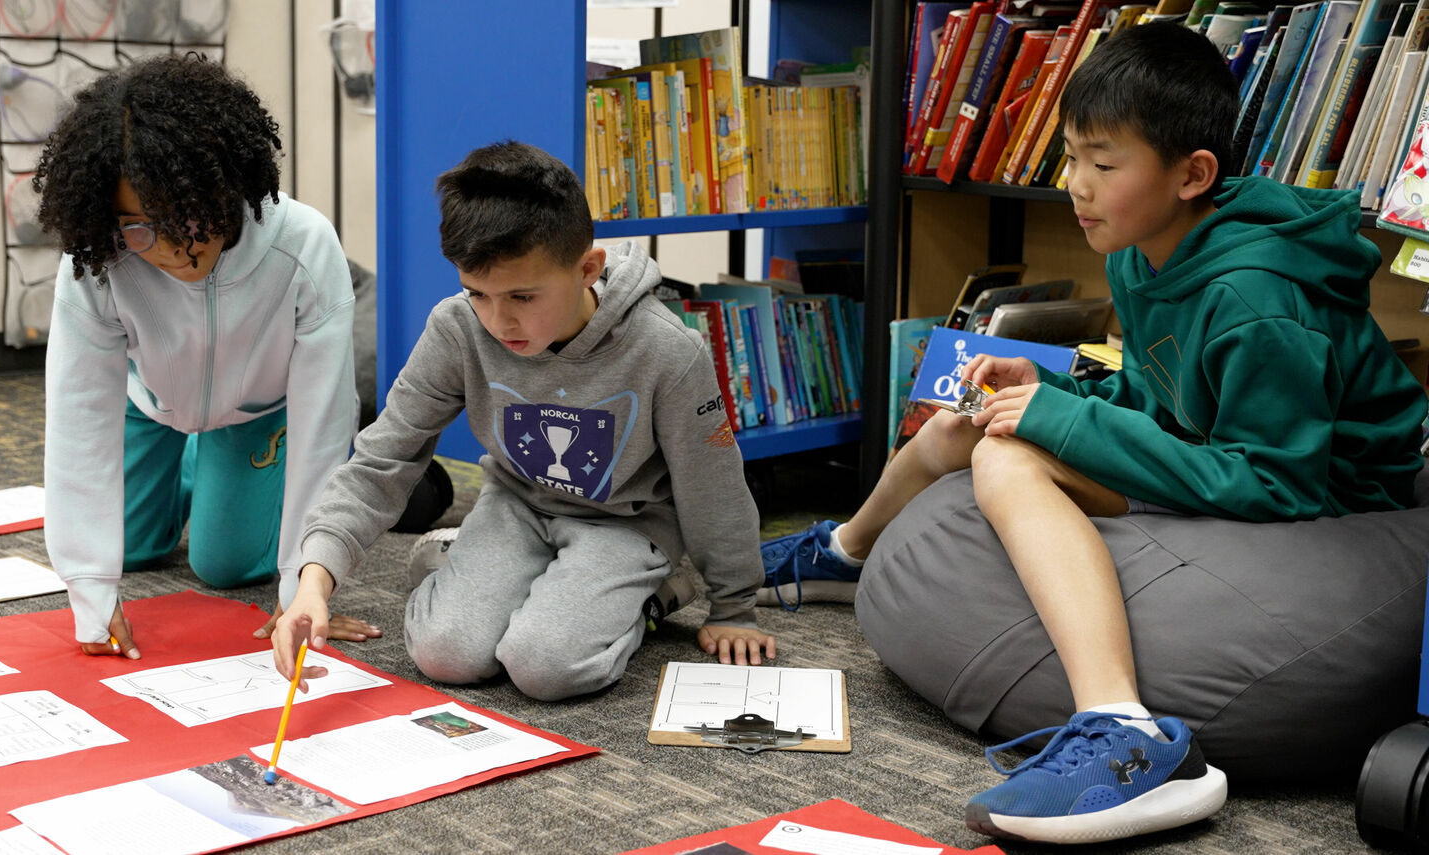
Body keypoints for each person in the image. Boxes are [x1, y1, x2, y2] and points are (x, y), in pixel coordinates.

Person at [762, 22, 1426, 844]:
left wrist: (1063, 421)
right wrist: (1062, 387)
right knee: (963, 430)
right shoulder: (1137, 251)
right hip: (1222, 458)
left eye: (1103, 164)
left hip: (1334, 497)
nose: (1076, 184)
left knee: (1007, 456)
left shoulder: (1258, 303)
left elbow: (1278, 483)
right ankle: (846, 552)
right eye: (1071, 157)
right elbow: (1164, 395)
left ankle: (1123, 724)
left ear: (1193, 175)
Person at [271, 141, 777, 702]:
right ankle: (480, 564)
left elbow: (713, 484)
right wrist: (311, 581)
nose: (498, 320)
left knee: (546, 667)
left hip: (627, 524)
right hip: (518, 504)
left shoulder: (666, 350)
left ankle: (657, 594)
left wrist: (736, 606)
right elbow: (383, 457)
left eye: (522, 296)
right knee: (445, 655)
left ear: (587, 269)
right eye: (477, 294)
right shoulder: (458, 328)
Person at [35, 54, 444, 658]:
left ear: (226, 186)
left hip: (258, 410)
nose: (173, 249)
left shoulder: (303, 244)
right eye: (140, 228)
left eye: (186, 219)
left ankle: (221, 468)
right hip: (146, 402)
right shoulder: (99, 258)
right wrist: (90, 588)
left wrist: (302, 581)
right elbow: (77, 415)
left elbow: (324, 417)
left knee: (222, 565)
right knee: (132, 547)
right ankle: (197, 461)